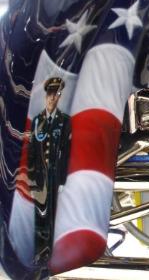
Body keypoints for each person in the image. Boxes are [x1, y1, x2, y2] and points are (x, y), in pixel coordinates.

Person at [28, 77, 71, 263]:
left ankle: (51, 254)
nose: (53, 98)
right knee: (39, 214)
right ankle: (38, 252)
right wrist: (30, 177)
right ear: (46, 96)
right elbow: (31, 150)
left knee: (53, 215)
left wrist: (63, 180)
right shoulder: (37, 120)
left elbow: (67, 152)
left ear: (60, 97)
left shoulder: (65, 121)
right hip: (38, 176)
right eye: (50, 94)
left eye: (56, 94)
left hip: (54, 175)